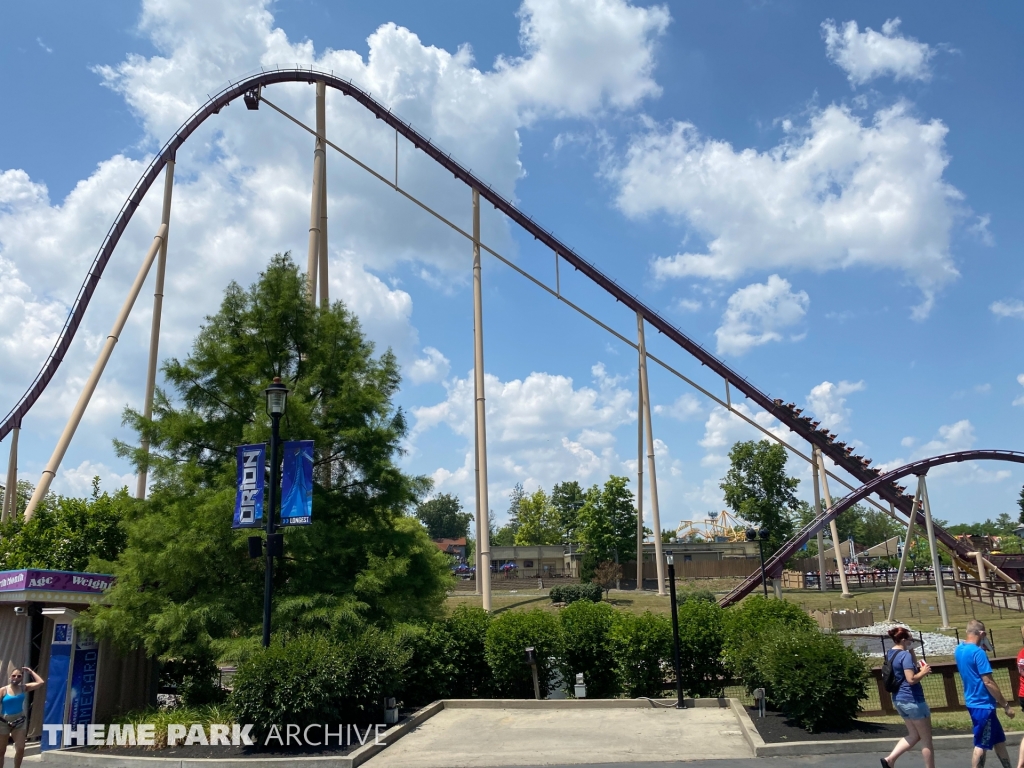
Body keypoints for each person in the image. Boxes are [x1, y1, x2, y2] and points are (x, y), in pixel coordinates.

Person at [956, 619, 1015, 768]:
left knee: (998, 740)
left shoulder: (959, 649)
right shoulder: (978, 653)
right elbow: (988, 681)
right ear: (982, 634)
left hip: (973, 701)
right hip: (982, 704)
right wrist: (1005, 705)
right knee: (981, 744)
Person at [881, 626, 934, 768]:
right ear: (903, 640)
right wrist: (924, 671)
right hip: (913, 700)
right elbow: (911, 679)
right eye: (911, 640)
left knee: (914, 735)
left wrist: (912, 652)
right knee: (926, 740)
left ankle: (890, 760)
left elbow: (907, 670)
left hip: (899, 699)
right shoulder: (905, 656)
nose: (912, 642)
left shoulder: (891, 654)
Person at [0, 666, 44, 768]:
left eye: (19, 676)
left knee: (20, 748)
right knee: (1, 751)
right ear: (10, 677)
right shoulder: (3, 690)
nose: (16, 678)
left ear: (21, 678)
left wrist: (31, 671)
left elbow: (40, 682)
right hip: (4, 721)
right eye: (14, 676)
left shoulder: (23, 688)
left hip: (19, 721)